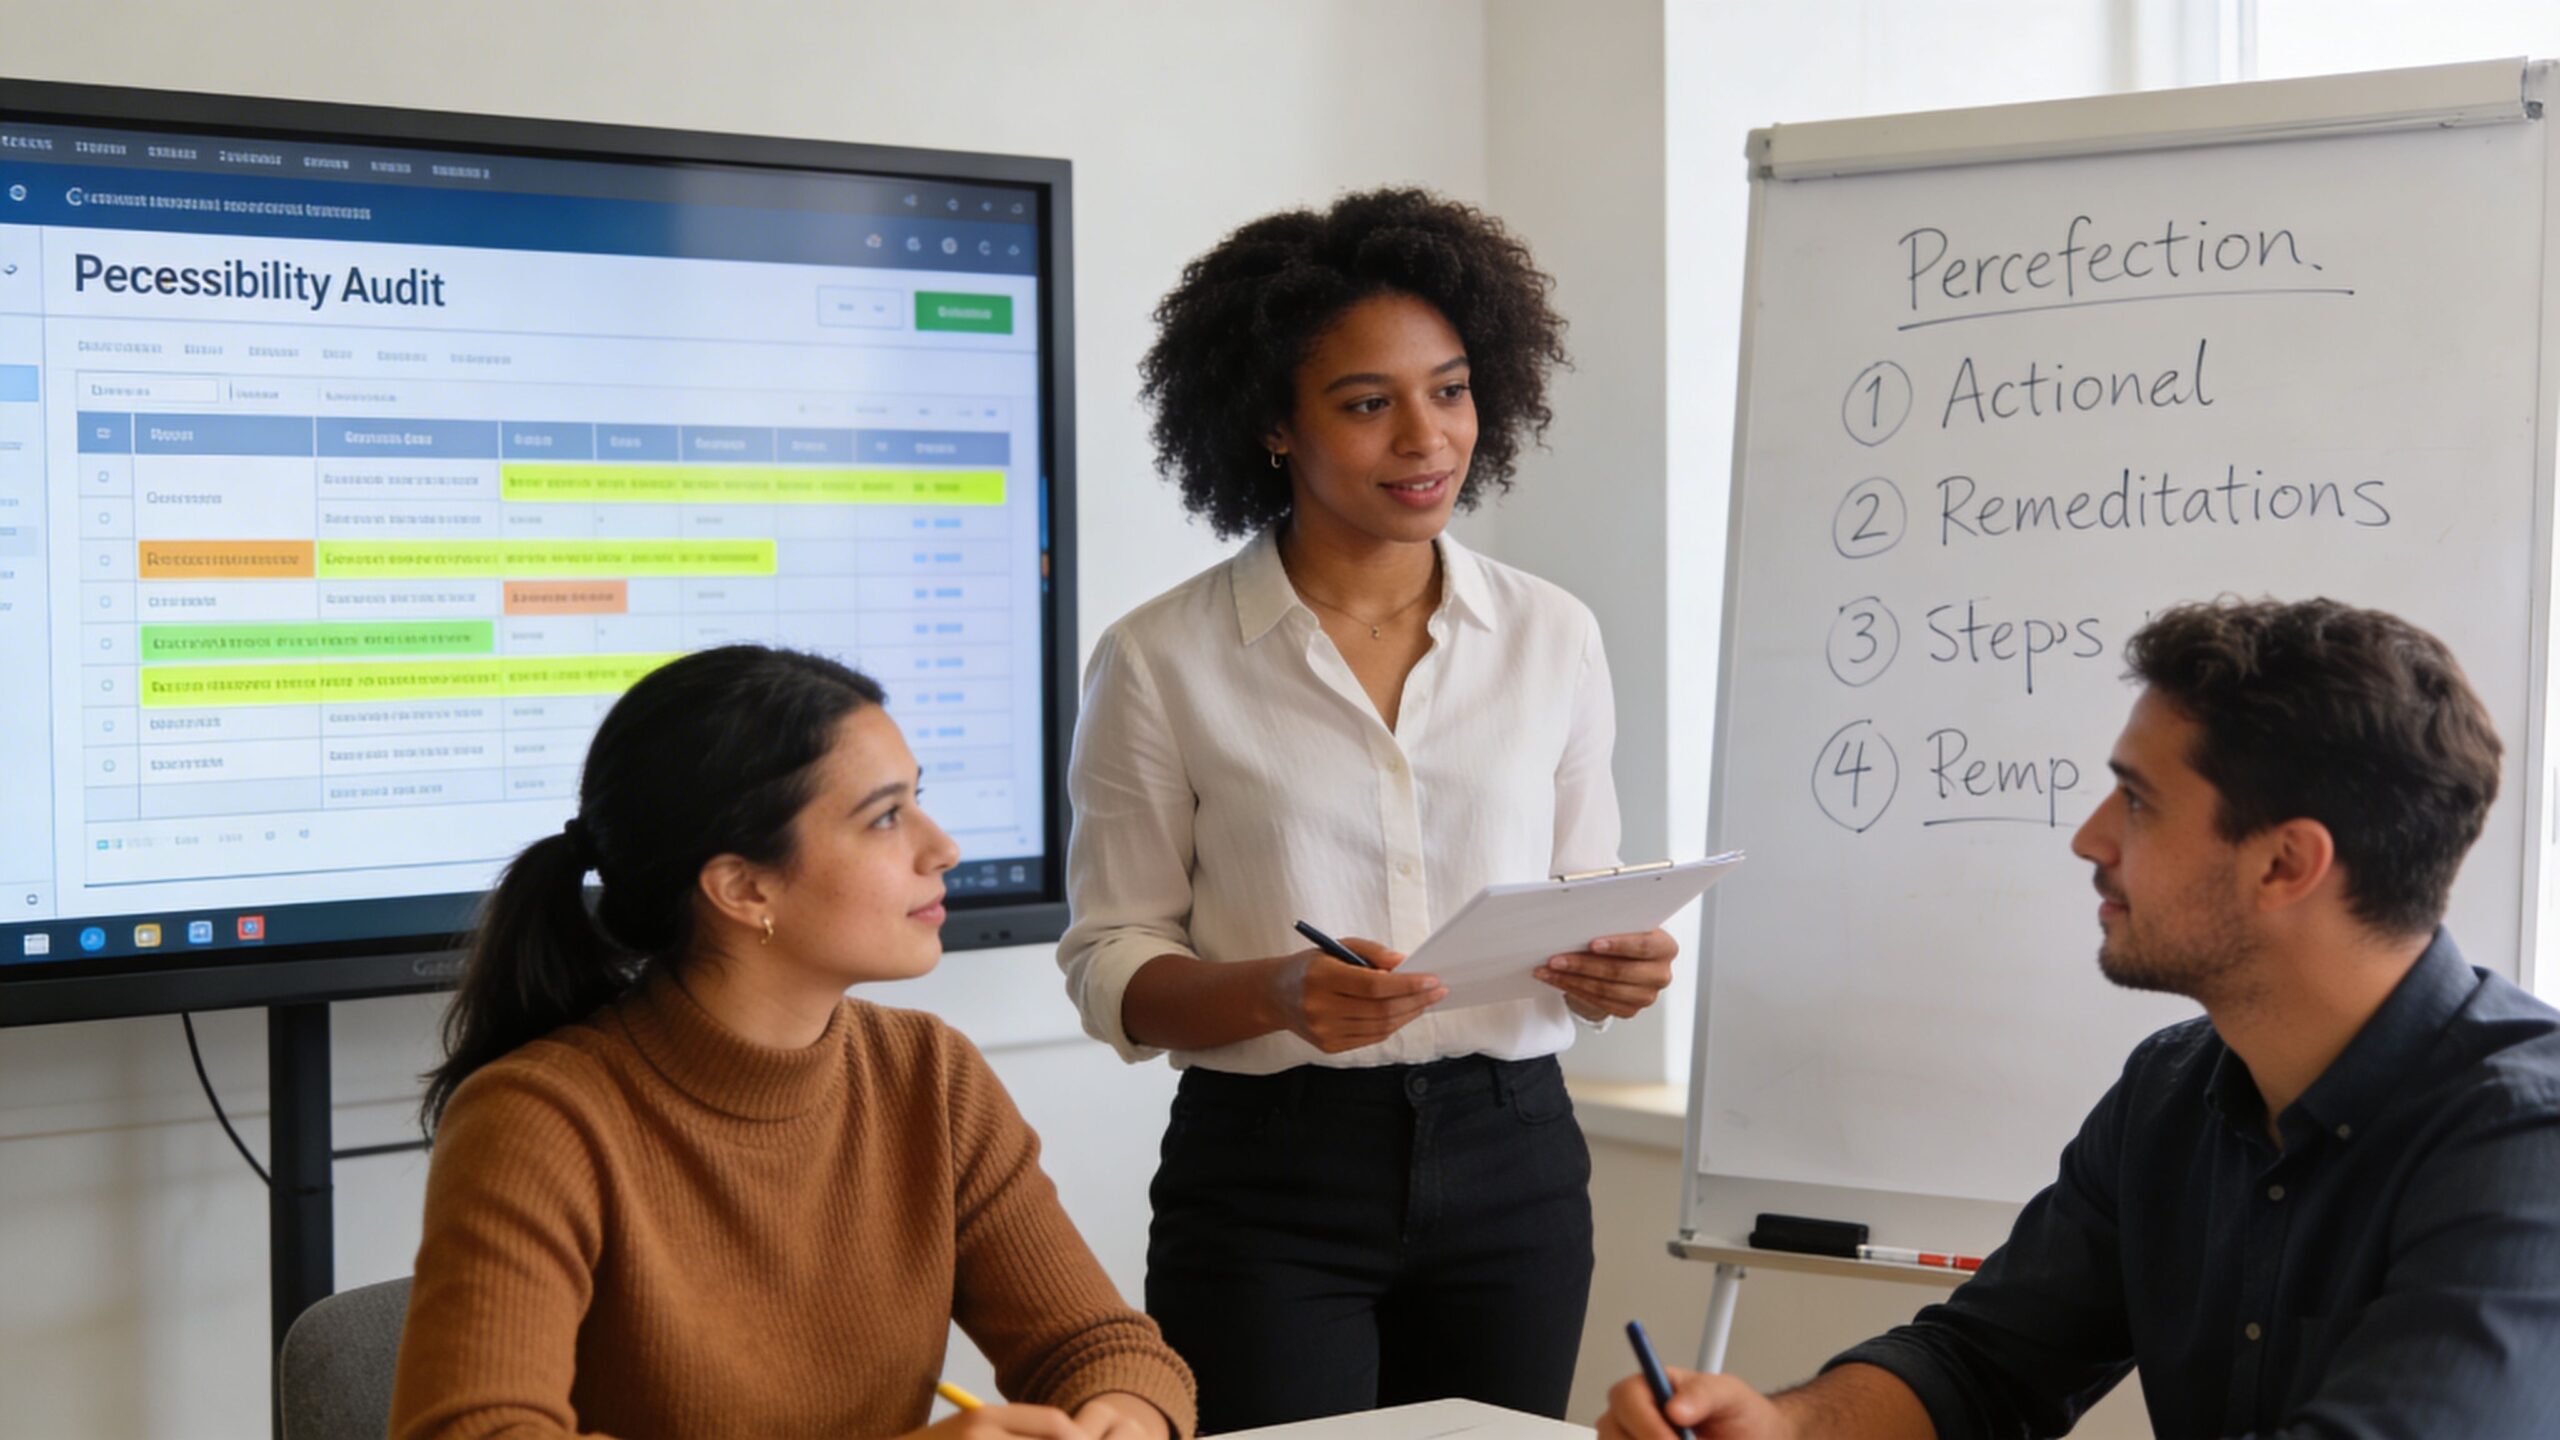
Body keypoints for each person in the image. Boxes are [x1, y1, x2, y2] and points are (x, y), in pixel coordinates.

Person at [1598, 598, 2560, 1440]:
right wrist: (1787, 1426)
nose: (2089, 837)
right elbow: (1981, 1367)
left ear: (2283, 864)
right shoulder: (2173, 1089)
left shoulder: (2527, 1142)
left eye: (2138, 802)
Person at [1057, 187, 1680, 1432]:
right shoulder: (1160, 656)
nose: (1425, 438)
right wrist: (1279, 994)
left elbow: (1580, 893)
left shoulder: (1552, 634)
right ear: (1270, 425)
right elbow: (1109, 963)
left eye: (1450, 390)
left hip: (1515, 1154)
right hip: (1271, 1170)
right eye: (1364, 404)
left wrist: (1615, 968)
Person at [390, 646, 1195, 1440]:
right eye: (886, 817)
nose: (943, 848)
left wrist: (1119, 1416)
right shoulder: (536, 1118)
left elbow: (1100, 1348)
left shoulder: (929, 1074)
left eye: (917, 799)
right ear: (744, 888)